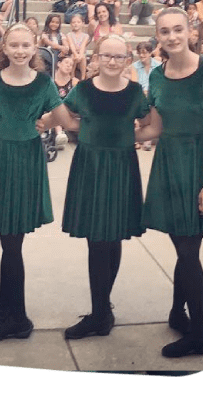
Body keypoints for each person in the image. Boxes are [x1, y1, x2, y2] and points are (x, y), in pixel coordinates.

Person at [137, 7, 203, 358]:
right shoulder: (158, 77)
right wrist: (112, 131)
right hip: (168, 166)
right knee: (182, 246)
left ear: (190, 31)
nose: (172, 37)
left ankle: (200, 335)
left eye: (178, 29)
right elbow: (155, 128)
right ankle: (179, 312)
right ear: (158, 36)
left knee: (189, 250)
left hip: (200, 167)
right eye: (165, 31)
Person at [41, 34, 149, 339]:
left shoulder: (135, 91)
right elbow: (60, 114)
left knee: (112, 238)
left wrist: (127, 138)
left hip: (121, 167)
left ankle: (101, 312)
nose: (112, 62)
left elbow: (151, 124)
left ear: (127, 60)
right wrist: (72, 126)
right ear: (95, 58)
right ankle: (101, 311)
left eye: (118, 57)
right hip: (91, 166)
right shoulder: (84, 90)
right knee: (96, 241)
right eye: (106, 56)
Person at [0, 23, 63, 341]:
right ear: (4, 48)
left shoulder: (42, 83)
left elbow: (61, 114)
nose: (21, 51)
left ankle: (19, 319)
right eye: (14, 45)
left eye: (26, 45)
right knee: (6, 240)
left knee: (13, 243)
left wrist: (45, 121)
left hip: (26, 161)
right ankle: (5, 305)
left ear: (35, 46)